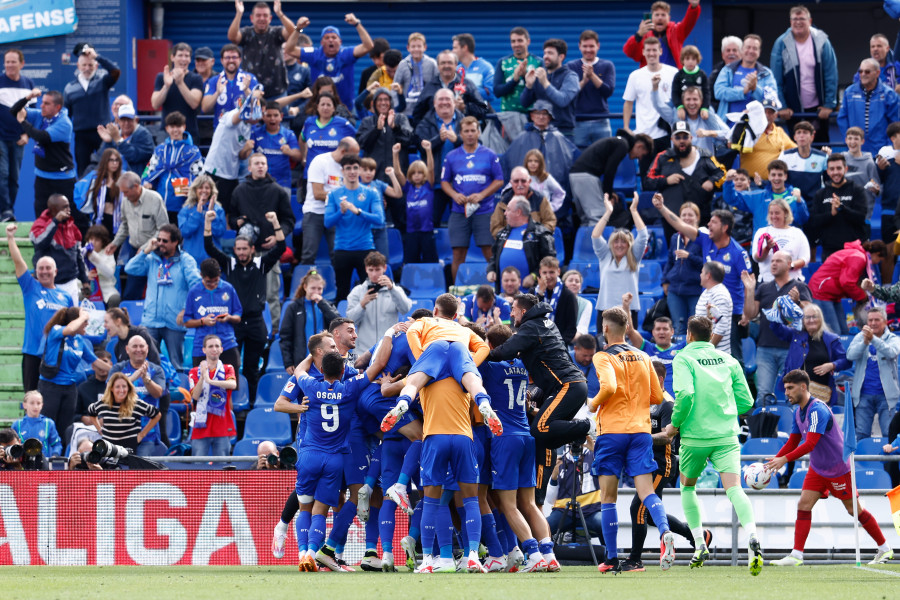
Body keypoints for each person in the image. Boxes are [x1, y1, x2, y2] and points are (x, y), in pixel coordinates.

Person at [664, 315, 762, 574]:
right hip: (726, 436)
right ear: (710, 336)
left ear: (689, 335)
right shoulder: (729, 360)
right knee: (735, 490)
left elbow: (684, 395)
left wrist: (675, 424)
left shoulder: (683, 358)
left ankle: (698, 543)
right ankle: (752, 535)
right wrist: (726, 413)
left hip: (695, 438)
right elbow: (747, 402)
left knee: (687, 488)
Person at [766, 369, 894, 566]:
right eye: (785, 388)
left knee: (854, 511)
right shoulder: (797, 412)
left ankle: (884, 548)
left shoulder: (818, 410)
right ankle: (796, 555)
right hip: (817, 469)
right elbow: (792, 442)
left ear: (803, 387)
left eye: (790, 388)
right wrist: (775, 460)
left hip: (838, 470)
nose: (787, 393)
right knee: (803, 505)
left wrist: (784, 460)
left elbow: (810, 444)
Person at [280, 345, 387, 572]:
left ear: (321, 369)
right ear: (342, 372)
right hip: (335, 458)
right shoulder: (349, 388)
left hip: (310, 455)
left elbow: (299, 371)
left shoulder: (310, 385)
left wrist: (310, 355)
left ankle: (302, 554)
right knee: (321, 510)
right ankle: (312, 552)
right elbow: (375, 366)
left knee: (305, 507)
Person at [587, 306, 675, 573]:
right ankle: (665, 531)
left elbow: (609, 387)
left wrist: (593, 405)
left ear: (605, 328)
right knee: (647, 492)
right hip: (640, 431)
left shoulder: (603, 356)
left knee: (608, 498)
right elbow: (658, 397)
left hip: (612, 432)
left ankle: (611, 558)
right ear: (627, 328)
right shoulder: (643, 355)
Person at [487, 293, 591, 497]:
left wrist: (479, 355)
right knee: (546, 439)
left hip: (567, 385)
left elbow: (505, 351)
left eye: (514, 309)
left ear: (523, 311)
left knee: (540, 429)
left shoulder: (531, 326)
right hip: (569, 386)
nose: (511, 313)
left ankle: (587, 426)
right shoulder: (544, 323)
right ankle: (579, 434)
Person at [481, 323, 559, 573]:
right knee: (529, 503)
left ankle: (533, 554)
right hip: (527, 435)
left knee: (507, 505)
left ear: (491, 346)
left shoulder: (490, 366)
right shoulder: (523, 367)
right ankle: (549, 555)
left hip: (505, 438)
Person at [653, 196, 751, 361]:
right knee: (709, 358)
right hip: (708, 308)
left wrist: (747, 313)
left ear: (725, 227)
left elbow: (749, 284)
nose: (708, 225)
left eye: (713, 222)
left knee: (732, 357)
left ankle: (739, 386)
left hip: (731, 312)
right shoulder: (706, 240)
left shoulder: (738, 252)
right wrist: (662, 207)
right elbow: (680, 225)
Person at [206, 209, 283, 402]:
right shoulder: (229, 264)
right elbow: (209, 247)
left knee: (251, 367)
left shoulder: (261, 264)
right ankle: (230, 403)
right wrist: (208, 222)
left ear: (252, 249)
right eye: (238, 249)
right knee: (229, 366)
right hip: (234, 324)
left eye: (244, 249)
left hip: (256, 323)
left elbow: (281, 247)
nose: (241, 252)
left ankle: (251, 404)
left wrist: (275, 222)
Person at [124, 224, 201, 371]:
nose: (160, 243)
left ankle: (175, 394)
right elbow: (130, 268)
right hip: (151, 320)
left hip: (174, 321)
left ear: (175, 242)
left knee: (175, 364)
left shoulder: (186, 260)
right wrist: (145, 251)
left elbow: (196, 286)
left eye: (165, 241)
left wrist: (187, 309)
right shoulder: (152, 258)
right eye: (158, 239)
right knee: (146, 364)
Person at [230, 153, 294, 326]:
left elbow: (289, 220)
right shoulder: (239, 190)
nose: (260, 166)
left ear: (267, 167)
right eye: (256, 163)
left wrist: (277, 236)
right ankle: (241, 326)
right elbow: (232, 218)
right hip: (245, 253)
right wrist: (237, 222)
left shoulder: (277, 191)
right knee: (242, 292)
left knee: (272, 294)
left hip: (270, 251)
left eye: (263, 163)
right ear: (249, 167)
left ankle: (273, 330)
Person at [741, 251, 812, 404]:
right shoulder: (764, 288)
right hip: (765, 348)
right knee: (764, 395)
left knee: (793, 395)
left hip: (792, 349)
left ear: (788, 264)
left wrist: (798, 302)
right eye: (772, 261)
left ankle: (794, 427)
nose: (773, 263)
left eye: (778, 261)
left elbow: (811, 315)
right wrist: (751, 290)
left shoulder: (799, 286)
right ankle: (765, 427)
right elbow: (750, 314)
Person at [440, 116, 504, 279]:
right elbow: (444, 182)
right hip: (459, 211)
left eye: (473, 130)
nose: (469, 134)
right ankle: (455, 292)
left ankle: (497, 288)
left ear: (478, 132)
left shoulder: (489, 154)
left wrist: (482, 195)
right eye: (466, 131)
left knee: (489, 251)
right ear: (460, 133)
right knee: (458, 253)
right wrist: (455, 195)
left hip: (484, 210)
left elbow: (499, 180)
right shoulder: (452, 156)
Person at [644, 121, 726, 239]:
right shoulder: (662, 157)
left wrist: (712, 181)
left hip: (701, 218)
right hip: (671, 218)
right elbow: (647, 181)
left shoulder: (704, 155)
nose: (681, 140)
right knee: (675, 253)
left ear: (691, 138)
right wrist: (666, 180)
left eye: (685, 137)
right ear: (672, 139)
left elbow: (722, 172)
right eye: (677, 137)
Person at [770, 5, 838, 144]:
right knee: (795, 147)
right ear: (790, 22)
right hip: (792, 109)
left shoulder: (821, 40)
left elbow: (831, 74)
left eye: (802, 19)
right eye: (794, 19)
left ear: (810, 21)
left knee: (821, 145)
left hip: (818, 108)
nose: (798, 22)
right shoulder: (781, 43)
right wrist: (781, 106)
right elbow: (775, 79)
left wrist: (829, 104)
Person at [323, 155, 385, 301]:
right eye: (348, 168)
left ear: (360, 170)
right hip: (342, 249)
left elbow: (380, 219)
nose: (352, 171)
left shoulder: (371, 193)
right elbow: (327, 222)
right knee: (342, 292)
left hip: (365, 248)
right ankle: (340, 324)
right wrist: (341, 212)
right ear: (342, 171)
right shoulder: (333, 194)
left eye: (355, 168)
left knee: (371, 292)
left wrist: (358, 211)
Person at [9, 89, 77, 218]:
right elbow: (14, 111)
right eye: (42, 102)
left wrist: (23, 122)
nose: (42, 106)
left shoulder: (64, 123)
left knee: (71, 215)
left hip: (62, 177)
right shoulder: (41, 115)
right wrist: (27, 98)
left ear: (57, 107)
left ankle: (78, 238)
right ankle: (41, 238)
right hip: (42, 176)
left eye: (46, 103)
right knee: (41, 213)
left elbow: (42, 137)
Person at [768, 303, 849, 405]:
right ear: (803, 320)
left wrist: (832, 365)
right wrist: (777, 310)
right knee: (798, 420)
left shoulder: (831, 339)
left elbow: (846, 361)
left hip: (821, 395)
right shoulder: (795, 334)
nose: (811, 320)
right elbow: (776, 328)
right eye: (807, 317)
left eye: (814, 316)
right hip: (796, 393)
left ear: (821, 319)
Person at [38, 307, 104, 432]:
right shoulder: (56, 330)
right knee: (48, 425)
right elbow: (70, 329)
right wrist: (82, 316)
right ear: (76, 321)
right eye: (84, 321)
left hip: (70, 389)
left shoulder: (79, 340)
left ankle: (63, 452)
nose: (87, 324)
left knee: (66, 427)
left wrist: (117, 371)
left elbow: (95, 361)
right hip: (50, 386)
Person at [569, 129, 653, 226]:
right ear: (640, 146)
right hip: (587, 177)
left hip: (575, 176)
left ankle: (584, 240)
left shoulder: (618, 141)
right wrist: (607, 195)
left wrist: (609, 191)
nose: (639, 158)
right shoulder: (623, 145)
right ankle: (595, 241)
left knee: (586, 219)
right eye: (642, 155)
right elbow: (610, 171)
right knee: (598, 218)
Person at [106, 172, 169, 299]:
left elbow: (163, 228)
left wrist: (146, 248)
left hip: (156, 252)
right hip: (135, 252)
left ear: (136, 186)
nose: (124, 195)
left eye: (126, 192)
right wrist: (115, 243)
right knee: (131, 291)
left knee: (158, 289)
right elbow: (124, 225)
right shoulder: (125, 201)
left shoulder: (155, 199)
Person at [290, 14, 375, 107]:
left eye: (334, 37)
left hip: (345, 108)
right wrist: (298, 29)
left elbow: (368, 46)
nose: (330, 40)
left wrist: (357, 24)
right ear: (321, 42)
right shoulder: (314, 54)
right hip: (319, 109)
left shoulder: (346, 53)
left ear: (340, 41)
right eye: (327, 37)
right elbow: (290, 49)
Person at [63, 45, 120, 177]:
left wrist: (97, 57)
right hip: (81, 136)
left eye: (90, 65)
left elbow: (115, 71)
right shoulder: (70, 88)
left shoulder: (102, 82)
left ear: (96, 66)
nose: (87, 68)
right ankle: (85, 197)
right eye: (84, 65)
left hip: (103, 134)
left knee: (108, 168)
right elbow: (66, 115)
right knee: (83, 171)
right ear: (78, 65)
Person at [592, 193, 648, 326]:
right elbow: (595, 236)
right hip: (605, 309)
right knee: (604, 346)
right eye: (615, 241)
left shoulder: (634, 256)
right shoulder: (605, 255)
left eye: (623, 242)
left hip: (628, 310)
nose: (619, 245)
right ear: (611, 243)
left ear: (629, 244)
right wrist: (608, 212)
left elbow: (643, 235)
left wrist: (633, 210)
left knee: (626, 346)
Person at [809, 239, 885, 336]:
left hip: (833, 294)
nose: (876, 264)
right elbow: (847, 282)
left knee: (844, 332)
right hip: (820, 292)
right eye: (879, 260)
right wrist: (862, 296)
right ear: (877, 254)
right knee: (834, 333)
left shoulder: (858, 255)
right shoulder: (859, 258)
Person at [501, 101, 578, 196]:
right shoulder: (521, 138)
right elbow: (508, 162)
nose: (541, 117)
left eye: (544, 113)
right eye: (538, 113)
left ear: (550, 117)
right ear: (532, 116)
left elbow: (570, 161)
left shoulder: (558, 138)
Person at [202, 95, 261, 217]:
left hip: (232, 174)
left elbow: (241, 155)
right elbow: (235, 119)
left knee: (228, 212)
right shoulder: (231, 114)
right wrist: (250, 98)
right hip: (215, 171)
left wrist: (247, 150)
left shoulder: (248, 127)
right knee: (210, 209)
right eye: (256, 111)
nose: (259, 116)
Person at [847, 306, 900, 441]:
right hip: (863, 395)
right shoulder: (860, 337)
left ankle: (889, 463)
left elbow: (892, 352)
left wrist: (873, 340)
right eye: (870, 320)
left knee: (889, 435)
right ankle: (861, 463)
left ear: (885, 321)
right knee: (862, 435)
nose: (873, 323)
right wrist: (864, 343)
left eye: (877, 319)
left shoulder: (893, 338)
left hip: (887, 396)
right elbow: (850, 355)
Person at [108, 334, 168, 453]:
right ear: (127, 349)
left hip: (147, 434)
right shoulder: (118, 368)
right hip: (120, 433)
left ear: (147, 349)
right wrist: (133, 378)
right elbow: (110, 391)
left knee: (140, 469)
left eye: (142, 346)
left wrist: (147, 380)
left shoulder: (156, 370)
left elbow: (158, 393)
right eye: (134, 346)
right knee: (119, 470)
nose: (138, 349)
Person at [142, 111, 204, 223]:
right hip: (160, 204)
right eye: (172, 126)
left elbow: (200, 177)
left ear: (184, 127)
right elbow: (149, 169)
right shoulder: (160, 149)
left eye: (178, 126)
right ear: (167, 128)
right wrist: (146, 181)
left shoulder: (193, 151)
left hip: (183, 205)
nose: (175, 130)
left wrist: (192, 188)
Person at [228, 0, 297, 100]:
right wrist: (239, 14)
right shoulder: (246, 33)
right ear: (252, 18)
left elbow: (293, 32)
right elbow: (232, 37)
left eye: (265, 15)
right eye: (258, 15)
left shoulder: (276, 32)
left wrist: (280, 14)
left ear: (270, 18)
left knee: (279, 116)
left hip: (277, 93)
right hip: (251, 91)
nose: (262, 18)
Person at [486, 196, 556, 292]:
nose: (505, 213)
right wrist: (491, 270)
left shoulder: (540, 233)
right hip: (503, 295)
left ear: (518, 212)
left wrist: (534, 276)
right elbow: (494, 257)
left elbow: (550, 261)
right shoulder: (503, 233)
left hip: (531, 295)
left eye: (508, 210)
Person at [346, 251, 412, 352]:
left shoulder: (395, 290)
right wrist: (362, 304)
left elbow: (405, 309)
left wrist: (392, 289)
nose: (374, 274)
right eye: (371, 270)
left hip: (388, 349)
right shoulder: (357, 291)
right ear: (366, 269)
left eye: (377, 269)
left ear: (384, 268)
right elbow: (350, 321)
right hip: (363, 351)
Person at [29, 193, 88, 304]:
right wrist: (55, 221)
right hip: (48, 284)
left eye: (69, 206)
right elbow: (40, 243)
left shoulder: (73, 227)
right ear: (53, 210)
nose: (69, 210)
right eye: (64, 207)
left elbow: (79, 256)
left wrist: (85, 280)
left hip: (70, 282)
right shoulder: (39, 225)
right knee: (51, 319)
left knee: (73, 318)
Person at [184, 258, 242, 370]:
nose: (212, 284)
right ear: (201, 275)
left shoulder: (228, 288)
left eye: (216, 281)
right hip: (202, 345)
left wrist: (229, 317)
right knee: (201, 384)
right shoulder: (194, 291)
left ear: (220, 274)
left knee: (231, 384)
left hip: (227, 343)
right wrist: (202, 321)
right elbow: (187, 322)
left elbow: (238, 316)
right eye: (208, 282)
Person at [808, 154, 868, 260]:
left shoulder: (857, 190)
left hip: (854, 250)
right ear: (827, 171)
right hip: (829, 251)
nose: (835, 172)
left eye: (839, 168)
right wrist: (831, 214)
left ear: (846, 169)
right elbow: (814, 221)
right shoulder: (820, 194)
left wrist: (842, 208)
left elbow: (861, 218)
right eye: (832, 169)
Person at [723, 162, 809, 234]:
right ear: (768, 176)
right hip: (762, 248)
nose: (776, 178)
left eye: (780, 175)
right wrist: (728, 182)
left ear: (785, 176)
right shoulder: (757, 196)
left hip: (786, 247)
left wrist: (799, 202)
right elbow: (732, 199)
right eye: (773, 175)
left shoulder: (794, 197)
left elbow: (802, 220)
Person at [188, 334, 238, 457]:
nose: (214, 349)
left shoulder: (227, 368)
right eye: (210, 346)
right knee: (199, 468)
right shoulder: (194, 371)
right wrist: (203, 377)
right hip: (201, 425)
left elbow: (232, 384)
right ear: (204, 350)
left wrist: (210, 381)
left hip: (222, 424)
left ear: (221, 349)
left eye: (217, 346)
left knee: (222, 467)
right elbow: (195, 396)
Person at [519, 39, 579, 139]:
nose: (546, 56)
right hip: (539, 132)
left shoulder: (570, 77)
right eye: (545, 53)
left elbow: (562, 100)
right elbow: (524, 103)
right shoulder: (540, 75)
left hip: (563, 133)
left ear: (561, 57)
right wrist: (528, 85)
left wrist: (545, 83)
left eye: (550, 53)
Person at [87, 372, 161, 454]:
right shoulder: (103, 404)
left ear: (128, 388)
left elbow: (157, 414)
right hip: (109, 449)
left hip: (129, 449)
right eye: (117, 387)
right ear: (111, 388)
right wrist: (99, 429)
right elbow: (91, 411)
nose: (121, 390)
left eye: (124, 386)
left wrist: (142, 434)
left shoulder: (136, 404)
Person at [838, 59, 900, 156]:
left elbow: (895, 124)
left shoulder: (889, 94)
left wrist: (889, 148)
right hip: (855, 151)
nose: (863, 74)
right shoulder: (849, 92)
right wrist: (850, 141)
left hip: (881, 151)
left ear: (877, 73)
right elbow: (842, 119)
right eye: (860, 71)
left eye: (867, 71)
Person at [411, 50, 490, 126]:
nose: (446, 66)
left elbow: (483, 110)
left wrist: (465, 108)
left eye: (450, 63)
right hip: (435, 136)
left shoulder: (467, 84)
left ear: (456, 65)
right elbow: (417, 114)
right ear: (438, 66)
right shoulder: (430, 86)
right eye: (443, 63)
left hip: (461, 135)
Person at [566, 30, 616, 148]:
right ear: (579, 47)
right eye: (585, 46)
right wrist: (584, 81)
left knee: (604, 158)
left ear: (598, 46)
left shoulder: (607, 65)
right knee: (578, 159)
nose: (588, 50)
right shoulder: (571, 66)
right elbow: (569, 94)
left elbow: (608, 91)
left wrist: (592, 76)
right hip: (579, 122)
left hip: (601, 121)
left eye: (591, 46)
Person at [0, 48, 34, 222]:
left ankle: (8, 212)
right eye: (7, 62)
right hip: (1, 137)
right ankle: (5, 210)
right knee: (3, 173)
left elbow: (33, 113)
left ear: (22, 64)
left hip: (19, 138)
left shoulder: (28, 83)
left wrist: (27, 135)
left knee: (14, 177)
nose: (9, 65)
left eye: (13, 62)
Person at [713, 34, 778, 123]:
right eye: (748, 47)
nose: (751, 51)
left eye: (755, 48)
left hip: (756, 129)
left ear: (759, 52)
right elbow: (719, 92)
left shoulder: (766, 73)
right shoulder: (728, 69)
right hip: (729, 127)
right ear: (742, 49)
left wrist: (755, 89)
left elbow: (772, 99)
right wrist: (743, 91)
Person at [662, 202, 703, 336]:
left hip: (695, 290)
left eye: (690, 215)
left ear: (697, 217)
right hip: (675, 290)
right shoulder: (676, 237)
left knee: (695, 329)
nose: (686, 218)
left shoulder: (702, 237)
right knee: (678, 328)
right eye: (683, 215)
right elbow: (669, 261)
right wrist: (665, 281)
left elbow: (707, 264)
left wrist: (689, 256)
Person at [391, 140, 436, 262]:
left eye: (420, 173)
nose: (416, 175)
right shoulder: (408, 187)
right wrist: (395, 153)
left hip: (427, 231)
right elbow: (397, 172)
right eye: (413, 173)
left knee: (430, 262)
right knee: (411, 262)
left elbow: (431, 169)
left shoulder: (428, 186)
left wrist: (428, 151)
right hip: (411, 232)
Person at [357, 88, 413, 183]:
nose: (383, 103)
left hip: (398, 178)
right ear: (374, 103)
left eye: (386, 99)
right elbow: (361, 143)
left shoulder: (400, 118)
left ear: (391, 102)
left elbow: (410, 139)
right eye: (379, 99)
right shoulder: (367, 121)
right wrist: (376, 129)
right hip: (374, 179)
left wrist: (395, 127)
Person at [624, 0, 701, 69]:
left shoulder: (676, 32)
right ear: (652, 18)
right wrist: (638, 35)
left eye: (663, 15)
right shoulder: (644, 35)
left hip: (673, 79)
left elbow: (689, 22)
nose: (660, 18)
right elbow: (629, 53)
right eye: (657, 15)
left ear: (669, 18)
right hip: (650, 78)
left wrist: (694, 7)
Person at [150, 43, 204, 141]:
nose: (183, 59)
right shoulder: (161, 77)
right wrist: (166, 86)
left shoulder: (196, 78)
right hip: (166, 132)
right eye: (180, 55)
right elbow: (155, 104)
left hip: (189, 132)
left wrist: (180, 83)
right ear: (172, 57)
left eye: (187, 56)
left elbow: (194, 103)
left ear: (190, 59)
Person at [298, 92, 357, 181]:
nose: (325, 107)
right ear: (317, 107)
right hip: (312, 174)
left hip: (334, 174)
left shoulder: (342, 123)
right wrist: (303, 157)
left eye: (328, 105)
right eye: (322, 104)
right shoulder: (309, 122)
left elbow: (356, 141)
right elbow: (302, 139)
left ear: (334, 108)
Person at [625, 310, 684, 396]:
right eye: (658, 329)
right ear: (653, 332)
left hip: (675, 401)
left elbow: (702, 340)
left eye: (665, 329)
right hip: (652, 400)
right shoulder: (646, 348)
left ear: (672, 331)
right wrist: (626, 306)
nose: (661, 332)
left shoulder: (682, 348)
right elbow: (630, 331)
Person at [750, 199, 810, 283]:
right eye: (771, 213)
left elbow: (805, 258)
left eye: (777, 213)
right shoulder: (762, 232)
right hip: (768, 282)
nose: (774, 216)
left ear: (785, 213)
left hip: (792, 281)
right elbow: (757, 258)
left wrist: (789, 266)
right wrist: (767, 248)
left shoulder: (797, 233)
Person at [248, 101, 302, 192]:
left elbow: (299, 156)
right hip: (259, 183)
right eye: (268, 115)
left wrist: (290, 152)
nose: (272, 119)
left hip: (282, 184)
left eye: (275, 115)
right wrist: (246, 148)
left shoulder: (289, 134)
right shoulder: (255, 134)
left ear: (281, 116)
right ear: (263, 117)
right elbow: (244, 156)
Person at [738, 98, 798, 180]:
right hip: (749, 183)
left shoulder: (779, 132)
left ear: (776, 115)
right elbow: (730, 144)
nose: (766, 115)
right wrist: (742, 120)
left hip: (773, 183)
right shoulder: (748, 130)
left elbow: (796, 150)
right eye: (763, 112)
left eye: (770, 112)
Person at [200, 44, 259, 126]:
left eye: (234, 57)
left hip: (245, 130)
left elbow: (258, 103)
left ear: (240, 60)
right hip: (221, 130)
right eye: (227, 57)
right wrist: (217, 93)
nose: (231, 60)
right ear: (221, 60)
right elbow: (204, 108)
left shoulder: (249, 78)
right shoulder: (214, 81)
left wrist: (246, 90)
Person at [491, 166, 556, 237]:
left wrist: (535, 235)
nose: (520, 184)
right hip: (509, 243)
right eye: (516, 181)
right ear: (511, 183)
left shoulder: (540, 199)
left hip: (535, 244)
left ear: (529, 181)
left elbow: (550, 221)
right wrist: (511, 236)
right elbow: (495, 227)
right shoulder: (503, 202)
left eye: (523, 181)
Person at [77, 148, 125, 238]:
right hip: (100, 219)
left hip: (118, 221)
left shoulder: (123, 177)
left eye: (117, 160)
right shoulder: (95, 178)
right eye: (111, 160)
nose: (114, 163)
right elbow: (79, 191)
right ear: (105, 161)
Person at [96, 104, 155, 177]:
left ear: (136, 120)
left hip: (135, 180)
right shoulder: (115, 135)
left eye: (129, 119)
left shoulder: (143, 134)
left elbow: (135, 156)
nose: (126, 123)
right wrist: (108, 142)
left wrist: (118, 140)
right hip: (114, 179)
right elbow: (102, 160)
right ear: (117, 121)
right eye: (123, 120)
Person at [179, 174, 226, 264]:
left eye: (207, 188)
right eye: (200, 187)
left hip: (212, 258)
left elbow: (220, 233)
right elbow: (184, 232)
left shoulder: (218, 209)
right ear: (195, 190)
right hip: (191, 259)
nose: (204, 190)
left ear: (211, 190)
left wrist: (212, 217)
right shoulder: (186, 210)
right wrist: (197, 213)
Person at [531, 256, 579, 345]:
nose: (548, 276)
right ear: (540, 273)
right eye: (545, 272)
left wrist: (558, 345)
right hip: (535, 344)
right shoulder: (532, 293)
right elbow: (529, 317)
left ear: (558, 272)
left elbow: (571, 328)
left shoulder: (568, 296)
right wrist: (540, 294)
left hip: (559, 346)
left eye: (552, 272)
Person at [392, 32, 438, 118]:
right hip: (407, 111)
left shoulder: (432, 64)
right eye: (413, 46)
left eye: (419, 46)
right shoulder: (403, 64)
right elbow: (395, 86)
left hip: (426, 111)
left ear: (425, 47)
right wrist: (396, 107)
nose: (416, 49)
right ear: (408, 48)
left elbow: (437, 85)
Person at [694, 261, 733, 353]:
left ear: (708, 275)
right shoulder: (708, 292)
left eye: (702, 272)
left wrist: (708, 348)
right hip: (707, 353)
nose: (700, 275)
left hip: (716, 356)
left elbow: (723, 325)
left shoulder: (719, 294)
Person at [843, 127, 880, 221]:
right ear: (846, 140)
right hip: (844, 211)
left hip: (863, 212)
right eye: (850, 138)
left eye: (856, 139)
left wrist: (876, 190)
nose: (852, 142)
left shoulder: (869, 163)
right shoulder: (841, 159)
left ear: (862, 141)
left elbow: (877, 189)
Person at [12, 391, 62, 457]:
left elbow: (56, 444)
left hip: (43, 463)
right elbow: (11, 445)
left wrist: (55, 455)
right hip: (23, 463)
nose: (35, 406)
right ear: (24, 405)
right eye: (32, 403)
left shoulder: (48, 423)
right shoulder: (17, 424)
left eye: (38, 403)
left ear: (42, 405)